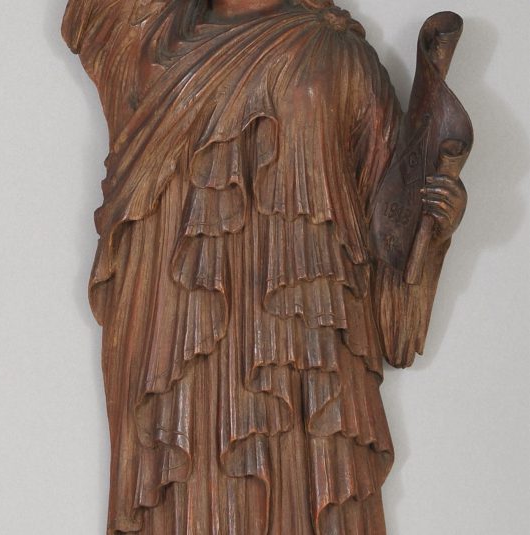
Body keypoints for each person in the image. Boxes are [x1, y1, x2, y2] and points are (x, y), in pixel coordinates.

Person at [62, 1, 468, 533]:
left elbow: (391, 242)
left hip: (303, 344)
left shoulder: (342, 56)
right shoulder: (152, 43)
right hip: (184, 327)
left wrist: (436, 228)